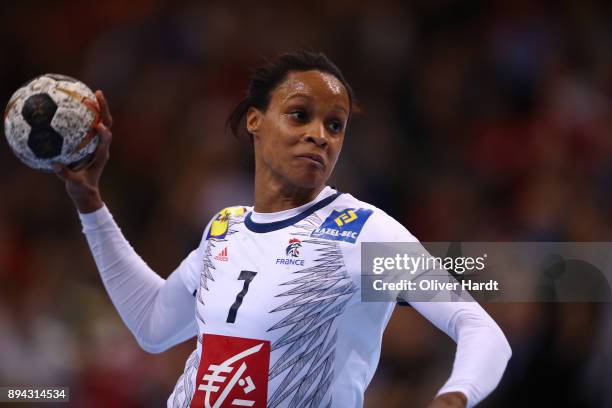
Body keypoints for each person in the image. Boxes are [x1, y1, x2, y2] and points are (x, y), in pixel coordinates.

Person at [53, 51, 511, 408]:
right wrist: (90, 203)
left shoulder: (361, 232)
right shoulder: (224, 229)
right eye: (300, 115)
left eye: (336, 125)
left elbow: (479, 326)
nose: (321, 135)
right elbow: (153, 325)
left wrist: (453, 397)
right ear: (255, 120)